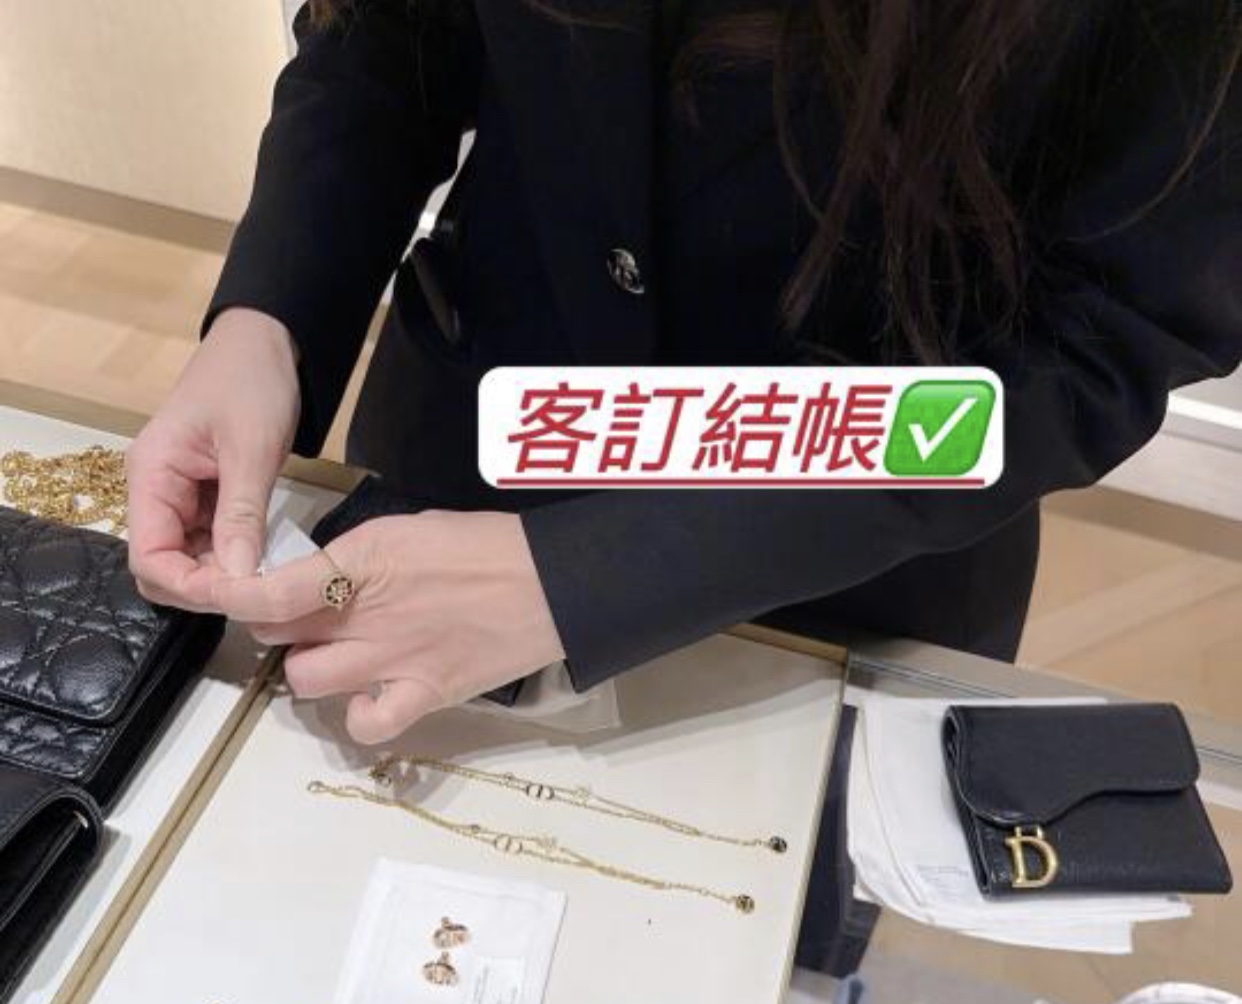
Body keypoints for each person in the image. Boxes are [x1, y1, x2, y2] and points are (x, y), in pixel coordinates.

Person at [127, 0, 1242, 746]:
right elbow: (392, 35)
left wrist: (593, 571)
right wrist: (268, 318)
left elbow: (1106, 328)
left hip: (839, 579)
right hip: (449, 463)